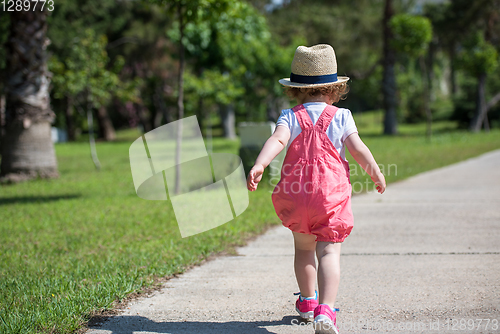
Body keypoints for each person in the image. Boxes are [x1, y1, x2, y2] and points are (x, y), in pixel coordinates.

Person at [246, 44, 386, 334]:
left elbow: (277, 141)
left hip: (296, 195)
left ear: (296, 90)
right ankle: (325, 311)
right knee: (328, 253)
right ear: (334, 90)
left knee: (303, 248)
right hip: (329, 197)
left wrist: (260, 164)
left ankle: (307, 302)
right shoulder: (342, 116)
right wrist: (375, 172)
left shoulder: (289, 116)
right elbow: (358, 149)